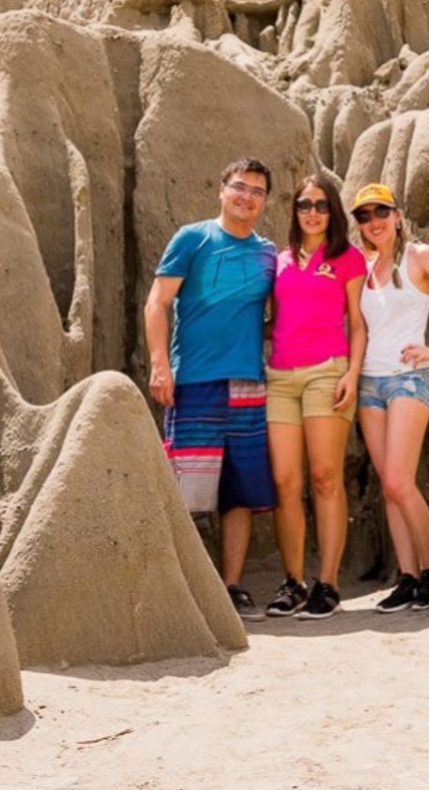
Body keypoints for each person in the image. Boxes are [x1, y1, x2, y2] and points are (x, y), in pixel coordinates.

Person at [145, 158, 279, 621]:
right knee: (186, 488)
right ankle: (182, 588)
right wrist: (160, 364)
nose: (247, 196)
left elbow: (277, 317)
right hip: (195, 379)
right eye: (240, 187)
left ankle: (231, 587)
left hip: (248, 382)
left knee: (239, 491)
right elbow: (158, 302)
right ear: (222, 190)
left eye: (257, 191)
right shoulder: (193, 238)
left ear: (265, 201)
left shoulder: (268, 253)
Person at [349, 182, 429, 614]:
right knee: (390, 489)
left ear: (398, 215)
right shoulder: (363, 267)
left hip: (409, 380)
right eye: (364, 216)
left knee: (398, 482)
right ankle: (407, 579)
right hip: (371, 384)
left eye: (381, 212)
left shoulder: (420, 256)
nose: (374, 223)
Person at [261, 171, 366, 620]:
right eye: (304, 204)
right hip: (280, 377)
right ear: (294, 210)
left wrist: (352, 376)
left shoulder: (347, 259)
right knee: (285, 483)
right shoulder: (279, 260)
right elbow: (273, 318)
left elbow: (358, 324)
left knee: (325, 478)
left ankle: (328, 583)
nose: (312, 212)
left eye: (321, 205)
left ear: (334, 212)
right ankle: (293, 581)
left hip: (328, 373)